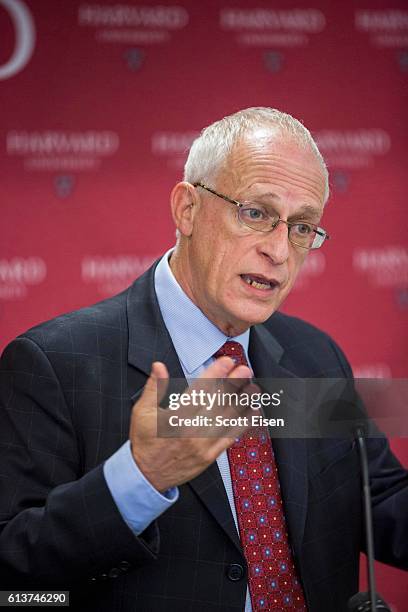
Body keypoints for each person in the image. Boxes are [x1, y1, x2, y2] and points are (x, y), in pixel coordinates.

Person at [0, 107, 407, 612]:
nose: (280, 251)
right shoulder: (55, 363)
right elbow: (14, 571)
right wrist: (141, 477)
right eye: (256, 213)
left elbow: (381, 498)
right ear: (187, 209)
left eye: (302, 227)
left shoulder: (315, 355)